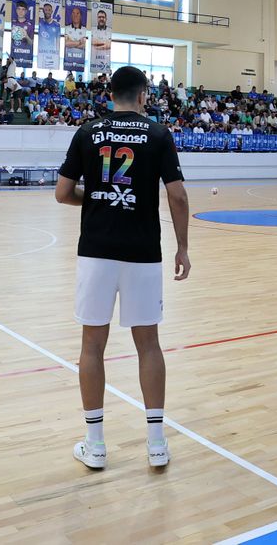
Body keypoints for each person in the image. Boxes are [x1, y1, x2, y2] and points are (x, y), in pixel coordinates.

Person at [55, 66, 190, 470]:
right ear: (143, 94)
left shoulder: (87, 132)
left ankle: (95, 445)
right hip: (143, 251)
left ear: (109, 94)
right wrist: (183, 247)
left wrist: (96, 197)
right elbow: (178, 197)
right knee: (148, 344)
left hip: (96, 250)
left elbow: (63, 193)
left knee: (92, 345)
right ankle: (156, 443)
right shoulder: (158, 134)